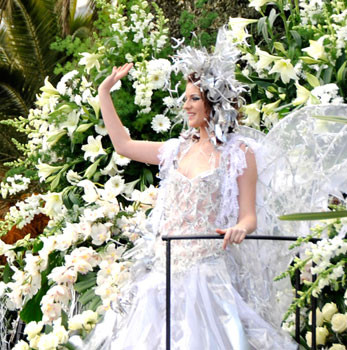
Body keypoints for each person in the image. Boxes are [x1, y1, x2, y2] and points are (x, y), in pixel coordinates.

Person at [81, 38, 298, 349]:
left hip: (206, 276)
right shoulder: (176, 150)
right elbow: (123, 146)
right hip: (162, 274)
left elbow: (249, 216)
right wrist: (104, 93)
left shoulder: (238, 154)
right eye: (186, 99)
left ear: (215, 100)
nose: (186, 106)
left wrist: (240, 228)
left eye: (194, 98)